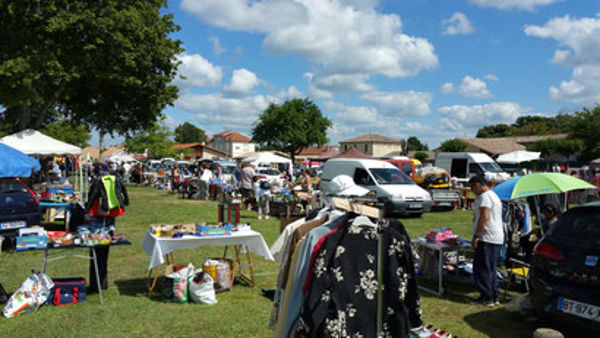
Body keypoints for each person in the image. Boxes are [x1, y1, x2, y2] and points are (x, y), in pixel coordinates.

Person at [469, 175, 504, 307]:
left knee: (481, 268)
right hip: (495, 237)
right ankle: (494, 296)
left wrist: (476, 236)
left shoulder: (485, 197)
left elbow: (484, 216)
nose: (473, 191)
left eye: (473, 187)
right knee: (490, 268)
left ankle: (486, 297)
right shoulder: (492, 195)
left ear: (478, 184)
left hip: (487, 238)